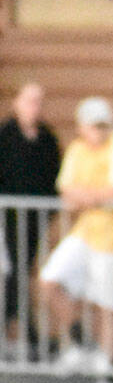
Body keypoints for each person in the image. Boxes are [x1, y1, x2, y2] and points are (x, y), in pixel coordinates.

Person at [37, 96, 113, 383]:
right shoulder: (77, 150)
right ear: (82, 127)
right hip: (86, 231)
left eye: (103, 125)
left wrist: (86, 197)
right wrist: (94, 198)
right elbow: (66, 193)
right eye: (94, 126)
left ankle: (108, 376)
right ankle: (81, 342)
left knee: (108, 305)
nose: (99, 131)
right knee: (49, 280)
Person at [0, 82, 61, 351]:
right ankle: (29, 333)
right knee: (14, 271)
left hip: (36, 217)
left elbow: (54, 174)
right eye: (29, 101)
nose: (34, 107)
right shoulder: (5, 136)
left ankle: (26, 331)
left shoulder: (46, 138)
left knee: (21, 271)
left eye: (38, 102)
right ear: (16, 103)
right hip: (9, 216)